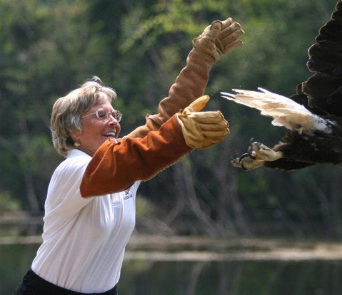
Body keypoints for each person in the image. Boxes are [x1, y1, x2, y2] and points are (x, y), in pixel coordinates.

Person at [13, 19, 244, 295]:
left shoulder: (122, 157)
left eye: (114, 114)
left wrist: (201, 59)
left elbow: (162, 123)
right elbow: (131, 159)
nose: (113, 122)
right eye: (101, 115)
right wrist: (178, 137)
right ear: (73, 129)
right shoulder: (73, 169)